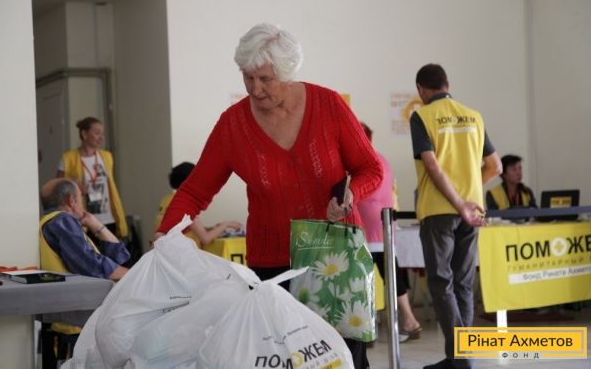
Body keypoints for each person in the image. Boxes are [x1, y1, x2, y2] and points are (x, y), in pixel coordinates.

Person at [155, 23, 383, 369]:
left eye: (265, 79)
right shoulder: (233, 125)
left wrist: (351, 194)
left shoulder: (328, 105)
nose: (254, 89)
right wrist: (165, 233)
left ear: (287, 73)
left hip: (335, 255)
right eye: (248, 78)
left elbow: (370, 168)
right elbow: (195, 190)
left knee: (342, 358)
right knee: (281, 358)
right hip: (271, 265)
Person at [410, 64, 502, 369]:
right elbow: (495, 166)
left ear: (421, 90)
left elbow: (432, 165)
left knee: (441, 282)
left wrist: (456, 202)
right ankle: (459, 358)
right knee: (463, 284)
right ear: (447, 84)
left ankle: (460, 358)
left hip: (439, 211)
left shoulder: (422, 116)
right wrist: (467, 197)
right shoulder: (474, 116)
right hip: (472, 211)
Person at [39, 178, 130, 367]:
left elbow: (120, 256)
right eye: (80, 197)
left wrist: (96, 225)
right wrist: (132, 275)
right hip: (75, 325)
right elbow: (91, 266)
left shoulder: (50, 222)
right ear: (71, 200)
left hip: (69, 321)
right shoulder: (62, 221)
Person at [357, 122, 422, 343]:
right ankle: (409, 321)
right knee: (391, 278)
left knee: (364, 281)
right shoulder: (382, 159)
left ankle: (368, 329)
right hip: (383, 228)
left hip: (367, 230)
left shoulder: (362, 162)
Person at [57, 117, 128, 238]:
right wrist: (74, 186)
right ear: (84, 134)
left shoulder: (107, 156)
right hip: (84, 220)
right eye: (97, 133)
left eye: (103, 133)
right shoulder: (68, 158)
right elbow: (56, 186)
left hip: (108, 219)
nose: (101, 137)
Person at [154, 161, 243, 245]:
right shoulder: (184, 202)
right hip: (183, 252)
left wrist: (210, 229)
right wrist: (226, 225)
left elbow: (183, 226)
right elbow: (205, 238)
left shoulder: (166, 199)